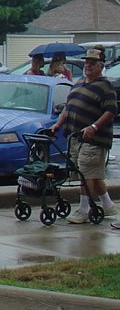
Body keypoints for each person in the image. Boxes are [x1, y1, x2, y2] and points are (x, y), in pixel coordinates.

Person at [49, 46, 116, 224]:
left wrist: (93, 126)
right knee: (91, 174)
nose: (88, 66)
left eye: (92, 63)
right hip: (75, 138)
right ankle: (108, 206)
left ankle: (84, 210)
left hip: (94, 139)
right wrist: (57, 124)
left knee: (86, 173)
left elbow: (111, 111)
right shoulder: (79, 83)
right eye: (87, 62)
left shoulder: (105, 86)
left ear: (101, 66)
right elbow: (68, 107)